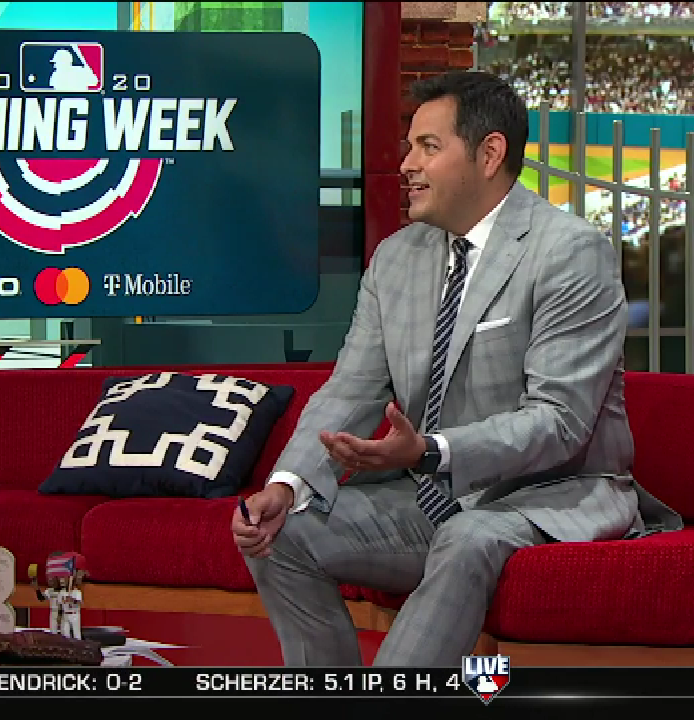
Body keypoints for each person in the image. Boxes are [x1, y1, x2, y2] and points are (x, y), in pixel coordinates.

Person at [231, 71, 683, 667]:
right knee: (281, 534)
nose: (406, 165)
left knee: (467, 536)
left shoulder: (570, 252)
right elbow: (348, 391)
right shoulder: (396, 258)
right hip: (433, 495)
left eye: (428, 147)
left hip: (547, 495)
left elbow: (560, 422)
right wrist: (288, 486)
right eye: (409, 147)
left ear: (489, 154)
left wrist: (430, 451)